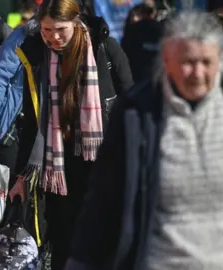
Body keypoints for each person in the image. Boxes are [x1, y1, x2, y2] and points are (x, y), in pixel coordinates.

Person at [0, 0, 133, 268]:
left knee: (102, 238)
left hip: (102, 162)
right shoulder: (36, 55)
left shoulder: (104, 47)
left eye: (60, 29)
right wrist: (21, 177)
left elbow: (131, 100)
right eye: (47, 30)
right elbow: (33, 122)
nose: (53, 37)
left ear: (76, 22)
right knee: (62, 240)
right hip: (57, 167)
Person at [65, 11, 223, 270]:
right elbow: (104, 200)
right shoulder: (136, 114)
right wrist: (81, 261)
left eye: (206, 62)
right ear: (166, 60)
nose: (197, 72)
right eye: (187, 61)